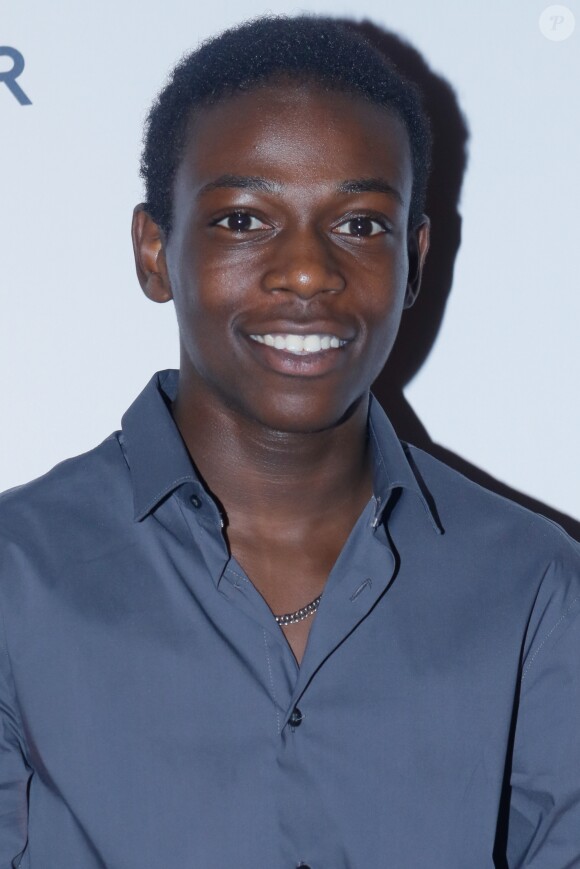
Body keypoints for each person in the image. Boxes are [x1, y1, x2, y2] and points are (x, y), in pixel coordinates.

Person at [0, 15, 578, 869]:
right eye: (242, 220)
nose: (308, 271)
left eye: (360, 224)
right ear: (155, 252)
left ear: (415, 260)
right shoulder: (17, 577)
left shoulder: (535, 586)